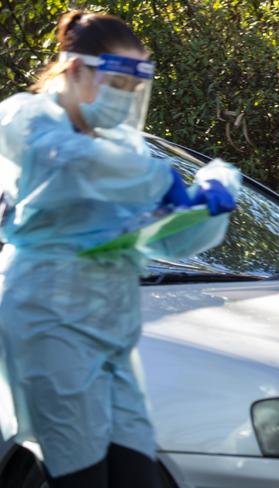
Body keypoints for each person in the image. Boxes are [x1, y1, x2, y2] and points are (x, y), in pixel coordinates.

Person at [0, 11, 239, 488]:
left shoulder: (123, 146)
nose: (124, 98)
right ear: (74, 68)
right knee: (80, 475)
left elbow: (163, 237)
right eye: (116, 82)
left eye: (133, 88)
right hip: (48, 317)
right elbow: (68, 168)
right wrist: (157, 179)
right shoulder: (28, 119)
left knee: (137, 475)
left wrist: (208, 204)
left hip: (111, 324)